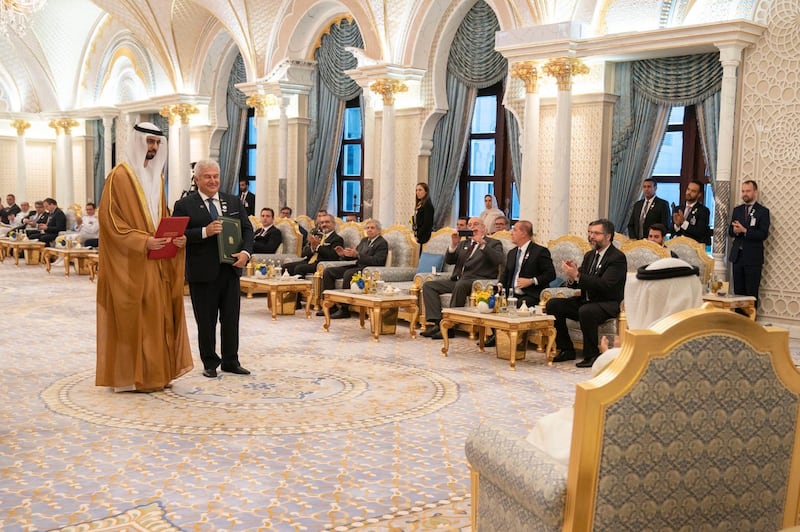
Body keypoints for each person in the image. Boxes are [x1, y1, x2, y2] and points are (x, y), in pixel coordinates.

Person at [527, 258, 704, 465]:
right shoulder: (718, 353)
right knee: (559, 304)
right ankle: (566, 349)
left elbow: (591, 416)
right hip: (693, 457)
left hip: (624, 457)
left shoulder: (619, 361)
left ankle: (592, 352)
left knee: (547, 429)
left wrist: (608, 355)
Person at [96, 122, 193, 392]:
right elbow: (111, 221)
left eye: (157, 143)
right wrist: (143, 241)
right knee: (135, 315)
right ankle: (131, 376)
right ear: (139, 142)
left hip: (158, 258)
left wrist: (175, 238)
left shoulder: (157, 178)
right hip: (131, 260)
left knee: (157, 314)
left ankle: (156, 373)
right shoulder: (120, 176)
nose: (153, 148)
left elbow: (160, 217)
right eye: (150, 142)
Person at [173, 159, 254, 378]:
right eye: (207, 176)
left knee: (231, 319)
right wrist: (204, 232)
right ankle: (209, 362)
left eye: (216, 176)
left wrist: (245, 254)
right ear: (197, 179)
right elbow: (176, 236)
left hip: (230, 271)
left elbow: (248, 231)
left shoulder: (233, 201)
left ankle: (231, 361)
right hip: (202, 272)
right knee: (206, 321)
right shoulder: (184, 205)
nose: (213, 180)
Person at [546, 219, 627, 367]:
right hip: (586, 300)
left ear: (608, 236)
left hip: (607, 303)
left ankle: (591, 355)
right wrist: (572, 276)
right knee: (553, 304)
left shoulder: (617, 258)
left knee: (586, 311)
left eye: (596, 233)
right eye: (590, 233)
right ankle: (566, 349)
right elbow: (582, 279)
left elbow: (605, 285)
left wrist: (577, 275)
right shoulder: (590, 255)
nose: (591, 236)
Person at [420, 217, 505, 340]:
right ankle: (438, 323)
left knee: (461, 285)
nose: (472, 227)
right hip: (457, 280)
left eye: (476, 224)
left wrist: (482, 243)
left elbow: (498, 260)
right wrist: (453, 245)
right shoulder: (463, 243)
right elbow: (449, 261)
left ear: (484, 228)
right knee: (428, 285)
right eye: (470, 225)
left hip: (476, 281)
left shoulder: (493, 243)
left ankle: (450, 327)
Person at [484, 220, 555, 348]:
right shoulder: (512, 253)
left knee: (512, 306)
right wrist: (500, 284)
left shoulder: (539, 251)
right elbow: (506, 274)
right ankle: (496, 335)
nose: (511, 233)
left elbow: (550, 274)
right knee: (493, 301)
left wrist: (531, 281)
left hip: (531, 294)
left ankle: (517, 339)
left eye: (515, 230)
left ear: (523, 233)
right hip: (511, 292)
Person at [321, 219, 389, 319]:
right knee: (329, 271)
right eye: (368, 228)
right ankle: (330, 306)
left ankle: (344, 309)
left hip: (368, 269)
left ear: (379, 230)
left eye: (372, 228)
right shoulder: (364, 240)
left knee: (348, 274)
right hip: (358, 265)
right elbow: (355, 255)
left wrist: (358, 254)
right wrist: (344, 254)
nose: (369, 230)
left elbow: (378, 261)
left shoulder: (382, 243)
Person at [728, 179, 770, 308]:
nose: (745, 194)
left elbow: (763, 234)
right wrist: (735, 231)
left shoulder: (762, 211)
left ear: (755, 192)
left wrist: (745, 231)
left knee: (751, 292)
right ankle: (738, 322)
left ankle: (750, 322)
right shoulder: (737, 210)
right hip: (737, 257)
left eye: (748, 191)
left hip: (752, 258)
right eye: (743, 191)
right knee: (738, 292)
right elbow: (730, 231)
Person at [284, 212, 344, 278]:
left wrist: (318, 247)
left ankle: (301, 287)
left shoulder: (337, 239)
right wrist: (312, 247)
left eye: (327, 222)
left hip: (321, 263)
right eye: (322, 223)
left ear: (334, 224)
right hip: (309, 261)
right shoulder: (317, 236)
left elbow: (332, 256)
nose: (324, 225)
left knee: (300, 268)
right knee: (286, 267)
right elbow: (303, 253)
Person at [671, 179, 711, 244]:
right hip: (678, 246)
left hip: (694, 247)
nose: (689, 192)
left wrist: (683, 223)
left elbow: (700, 232)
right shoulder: (678, 208)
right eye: (688, 189)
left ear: (699, 194)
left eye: (693, 191)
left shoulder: (703, 210)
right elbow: (672, 230)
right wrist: (677, 225)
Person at [413, 182, 434, 250]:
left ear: (426, 192)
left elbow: (427, 224)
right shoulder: (419, 204)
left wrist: (418, 235)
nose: (417, 192)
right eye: (416, 190)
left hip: (424, 237)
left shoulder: (428, 205)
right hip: (417, 235)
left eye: (420, 190)